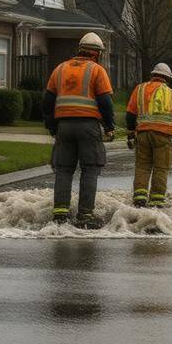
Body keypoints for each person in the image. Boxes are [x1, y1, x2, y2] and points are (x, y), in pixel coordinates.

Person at [43, 32, 115, 228]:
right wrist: (109, 127)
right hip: (88, 126)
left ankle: (60, 215)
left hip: (64, 126)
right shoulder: (97, 70)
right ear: (97, 53)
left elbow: (48, 100)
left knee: (64, 170)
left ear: (80, 50)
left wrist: (51, 125)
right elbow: (105, 102)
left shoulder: (60, 69)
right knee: (90, 169)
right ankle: (85, 215)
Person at [125, 63, 172, 208]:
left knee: (142, 166)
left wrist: (131, 133)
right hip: (163, 135)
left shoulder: (140, 89)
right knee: (161, 167)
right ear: (167, 78)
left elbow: (130, 113)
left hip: (143, 133)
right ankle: (157, 200)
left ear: (153, 75)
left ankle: (140, 198)